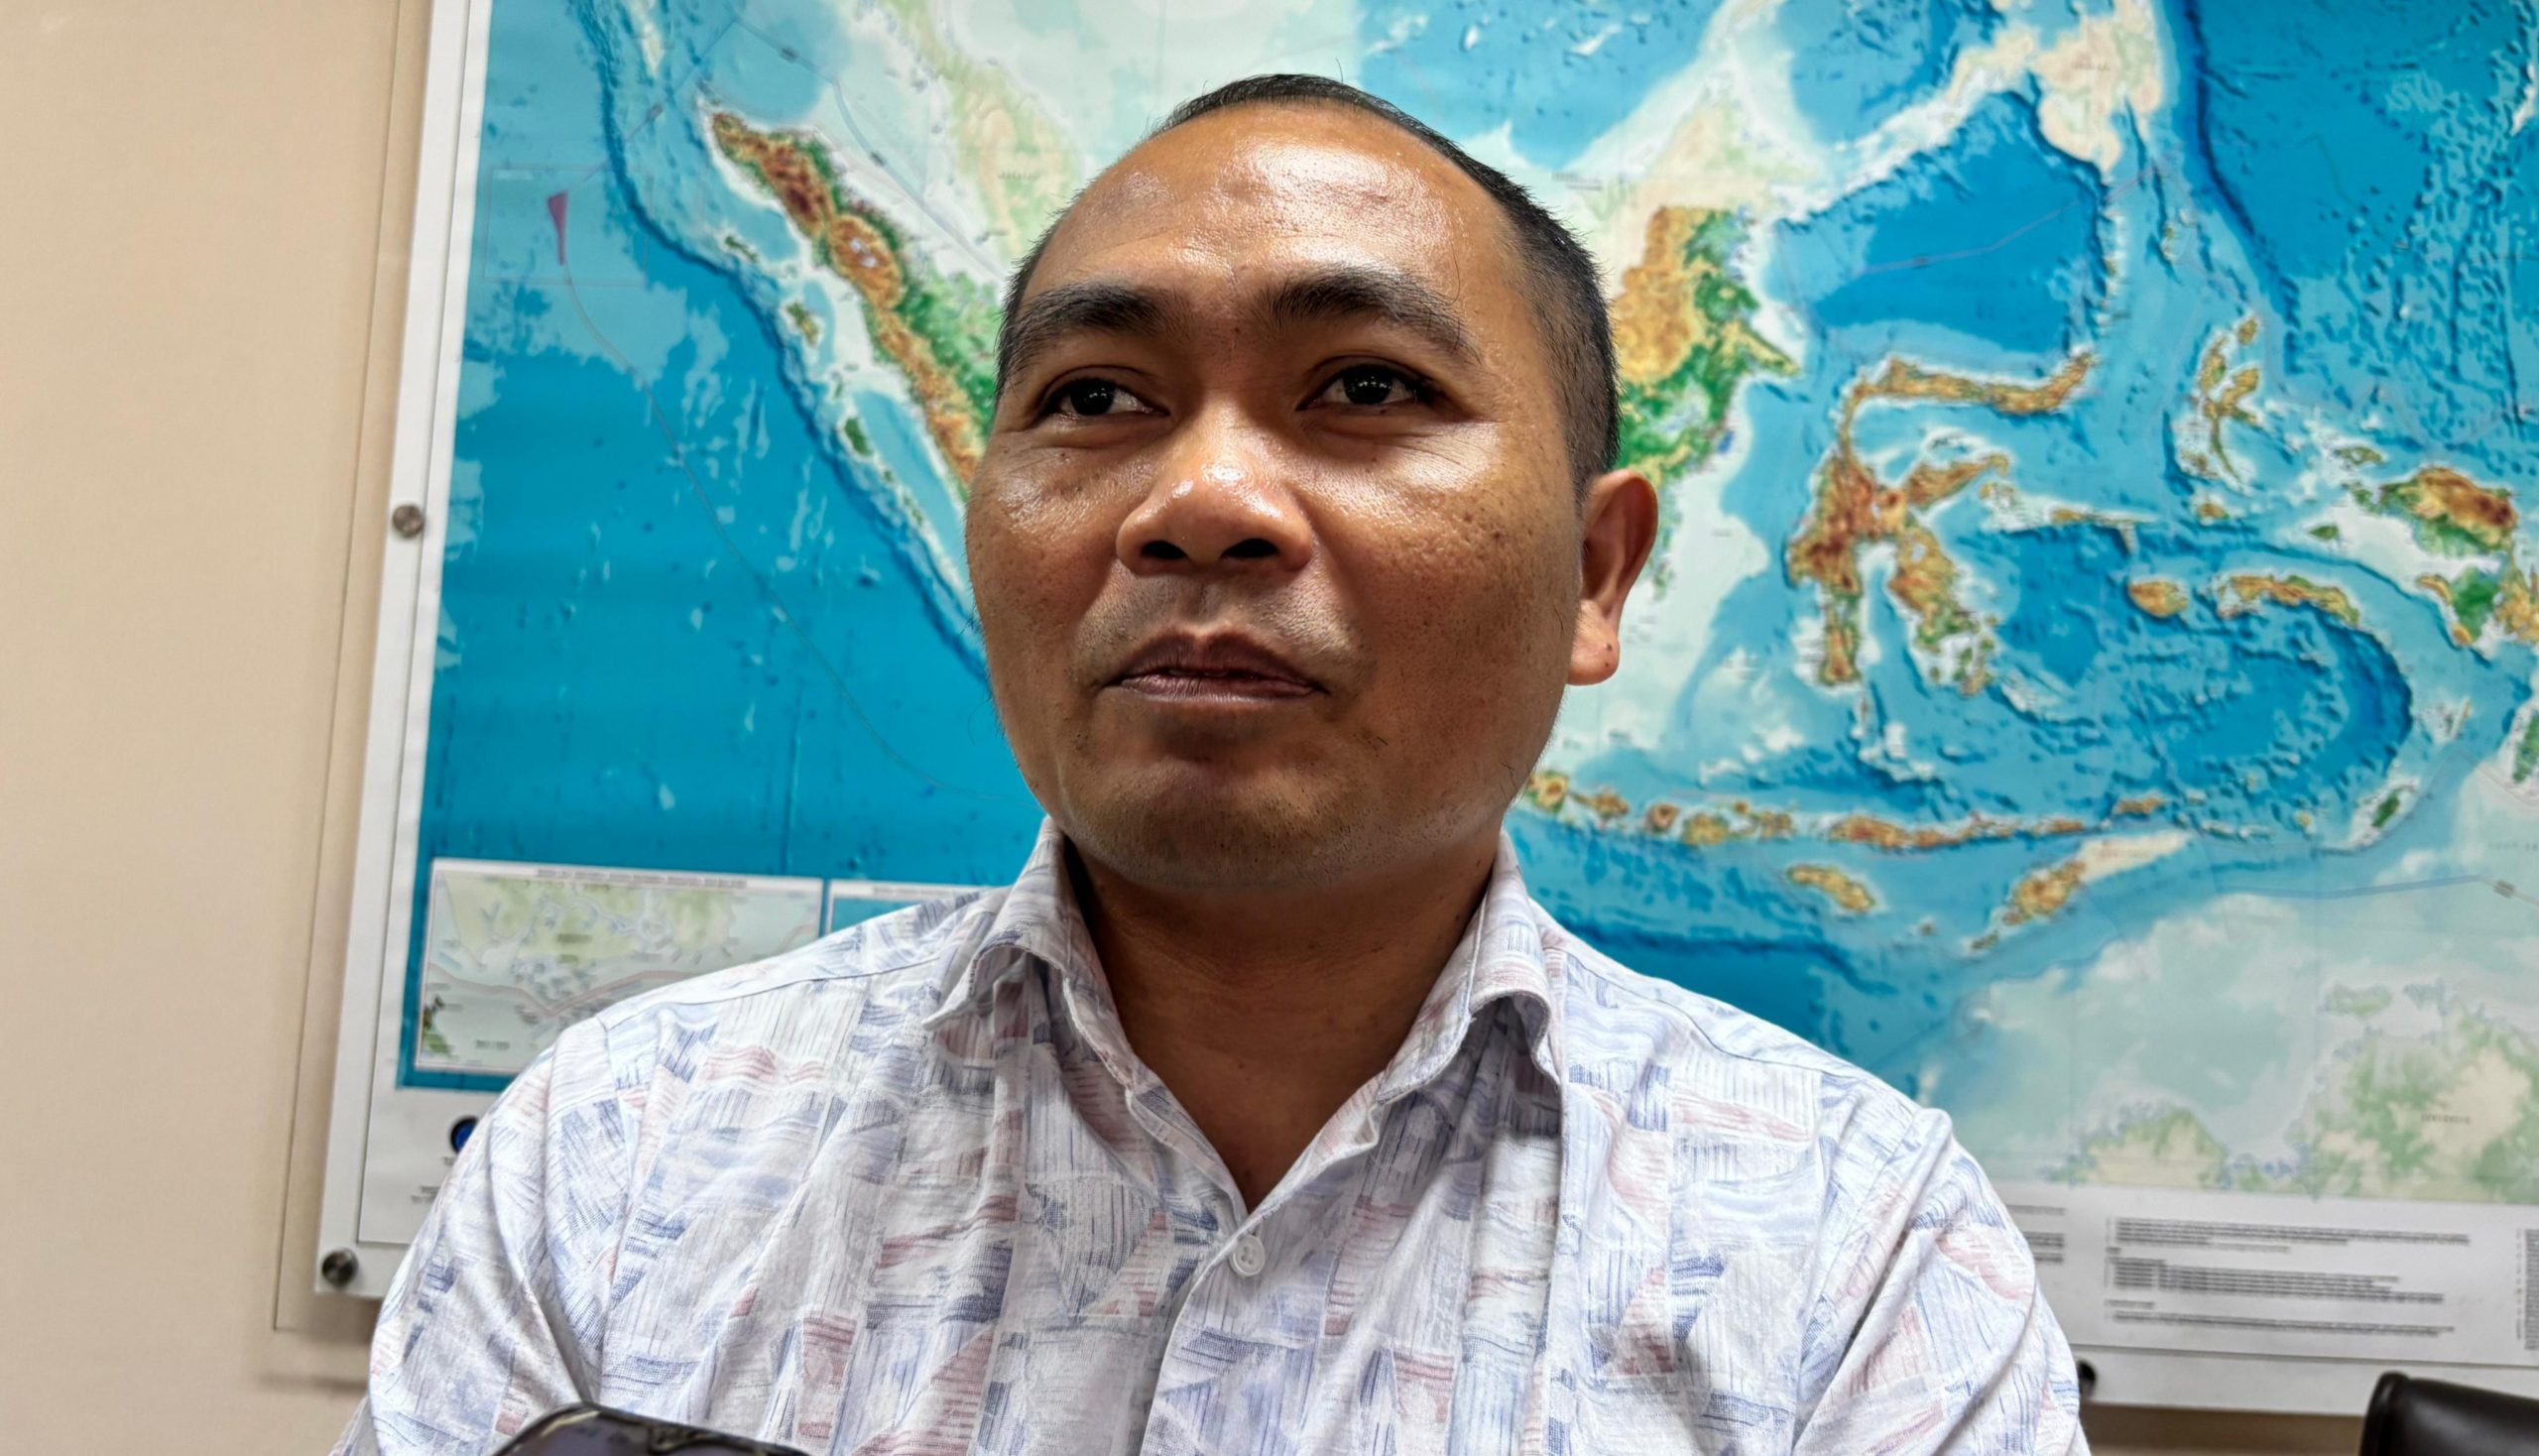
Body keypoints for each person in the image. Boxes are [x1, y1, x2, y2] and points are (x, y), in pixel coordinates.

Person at [335, 73, 2088, 1455]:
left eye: (1368, 388)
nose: (1202, 503)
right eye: (1097, 399)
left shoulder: (1856, 1254)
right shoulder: (622, 1152)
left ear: (1593, 574)